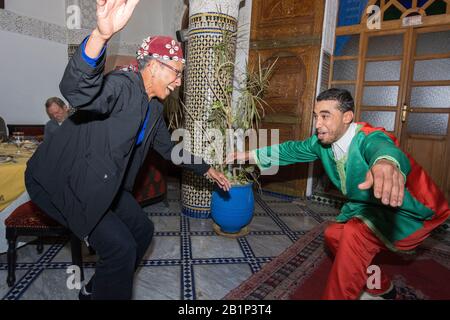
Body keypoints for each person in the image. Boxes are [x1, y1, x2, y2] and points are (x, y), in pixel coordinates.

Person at [25, 0, 231, 300]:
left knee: (143, 232)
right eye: (176, 71)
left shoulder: (154, 106)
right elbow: (77, 91)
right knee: (121, 249)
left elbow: (168, 148)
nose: (179, 81)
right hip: (65, 183)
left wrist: (206, 168)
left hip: (107, 183)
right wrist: (100, 35)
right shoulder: (123, 85)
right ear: (154, 66)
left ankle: (100, 287)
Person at [230, 88, 450, 300]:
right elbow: (291, 150)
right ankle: (379, 285)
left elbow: (383, 147)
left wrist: (386, 162)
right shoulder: (321, 144)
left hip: (407, 209)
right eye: (316, 116)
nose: (318, 124)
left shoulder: (367, 138)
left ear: (347, 117)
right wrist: (250, 154)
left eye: (326, 116)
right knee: (334, 235)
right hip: (368, 207)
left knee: (355, 233)